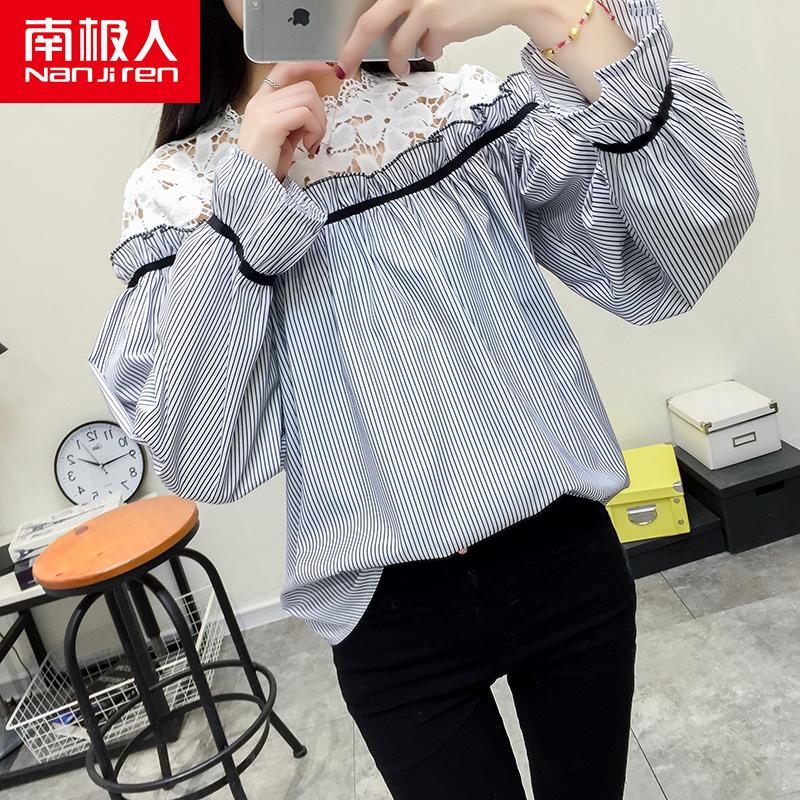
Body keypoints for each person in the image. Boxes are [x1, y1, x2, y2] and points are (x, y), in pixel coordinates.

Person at [88, 0, 759, 797]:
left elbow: (678, 242)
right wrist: (249, 199)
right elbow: (200, 453)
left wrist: (545, 7)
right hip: (387, 610)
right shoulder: (179, 189)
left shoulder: (458, 109)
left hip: (563, 558)